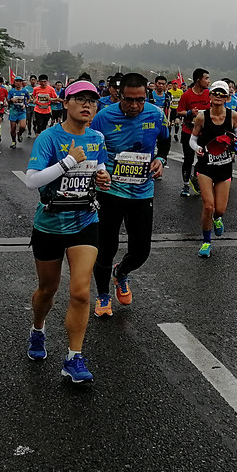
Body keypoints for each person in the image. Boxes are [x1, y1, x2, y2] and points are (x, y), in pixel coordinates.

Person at [23, 80, 109, 381]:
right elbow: (32, 181)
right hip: (49, 223)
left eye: (93, 101)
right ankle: (37, 328)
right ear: (65, 102)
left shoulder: (97, 137)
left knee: (82, 292)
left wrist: (102, 176)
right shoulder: (49, 137)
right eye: (80, 99)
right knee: (48, 290)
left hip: (85, 221)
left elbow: (100, 166)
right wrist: (69, 161)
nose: (87, 105)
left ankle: (74, 357)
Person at [88, 73, 170, 316]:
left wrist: (160, 159)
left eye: (140, 100)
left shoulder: (156, 114)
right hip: (109, 191)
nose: (135, 105)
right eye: (129, 100)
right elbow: (91, 148)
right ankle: (103, 295)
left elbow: (164, 142)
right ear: (118, 94)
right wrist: (98, 172)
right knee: (105, 247)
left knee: (141, 251)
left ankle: (121, 272)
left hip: (142, 191)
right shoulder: (103, 117)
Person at [190, 81, 237, 258]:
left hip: (225, 166)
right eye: (215, 93)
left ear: (227, 97)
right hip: (205, 165)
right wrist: (197, 149)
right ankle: (206, 242)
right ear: (210, 95)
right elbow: (192, 139)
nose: (218, 96)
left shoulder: (233, 115)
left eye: (222, 93)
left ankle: (218, 219)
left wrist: (236, 145)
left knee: (220, 209)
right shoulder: (202, 117)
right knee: (208, 206)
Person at [177, 68, 211, 197]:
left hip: (203, 133)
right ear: (198, 80)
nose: (208, 81)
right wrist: (191, 112)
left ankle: (195, 179)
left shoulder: (209, 94)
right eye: (206, 78)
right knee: (188, 159)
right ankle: (185, 185)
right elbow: (179, 111)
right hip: (188, 131)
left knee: (203, 158)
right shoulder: (186, 95)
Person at [7, 76, 31, 148]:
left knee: (23, 126)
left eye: (20, 81)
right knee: (13, 128)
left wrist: (25, 104)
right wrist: (11, 100)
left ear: (22, 83)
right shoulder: (11, 91)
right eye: (17, 81)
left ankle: (19, 134)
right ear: (14, 82)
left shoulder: (25, 91)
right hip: (13, 111)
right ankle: (14, 142)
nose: (18, 83)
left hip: (22, 111)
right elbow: (7, 100)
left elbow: (29, 99)